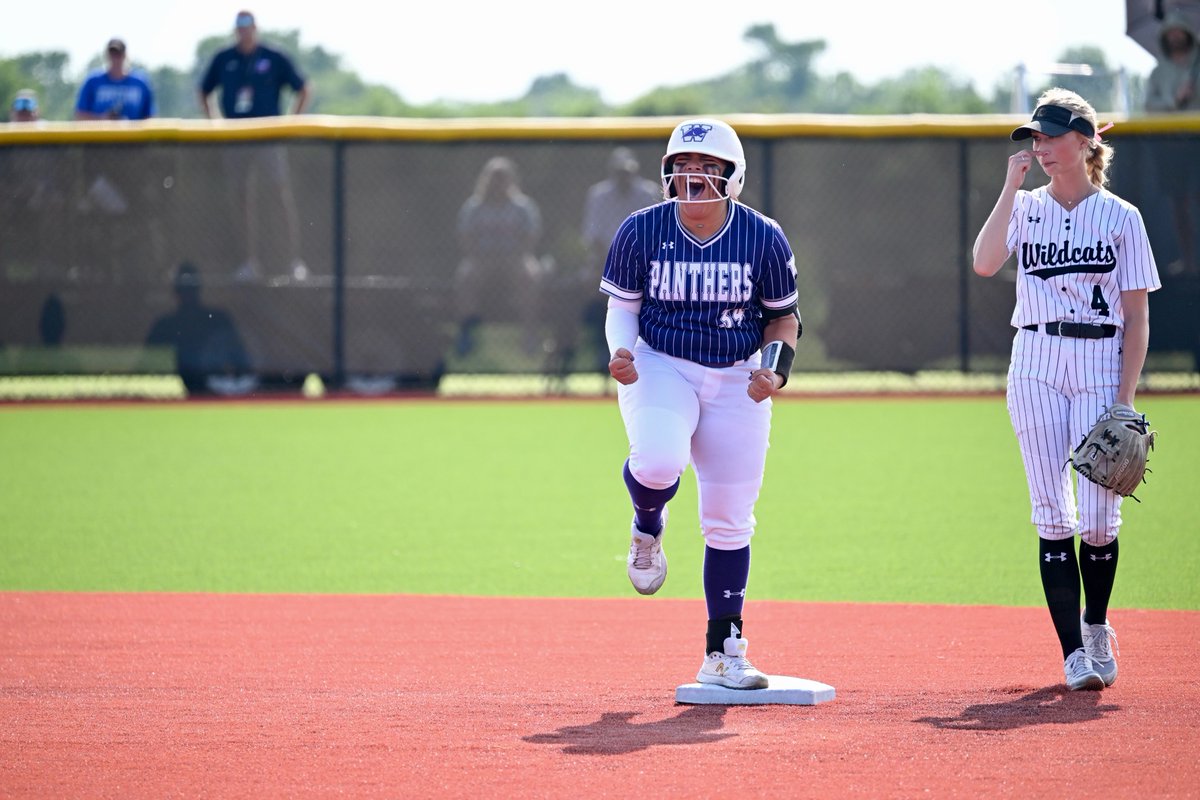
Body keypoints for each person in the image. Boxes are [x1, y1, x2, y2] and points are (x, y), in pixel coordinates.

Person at [601, 118, 800, 690]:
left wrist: (774, 371)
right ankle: (647, 525)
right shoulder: (641, 229)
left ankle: (723, 650)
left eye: (707, 170)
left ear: (732, 177)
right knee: (660, 460)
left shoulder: (762, 236)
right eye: (683, 168)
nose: (693, 180)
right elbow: (624, 305)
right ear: (667, 175)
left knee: (730, 520)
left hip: (737, 374)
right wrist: (620, 349)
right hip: (660, 361)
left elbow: (784, 316)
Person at [972, 89, 1161, 692]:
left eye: (1052, 136)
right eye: (1036, 137)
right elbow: (983, 262)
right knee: (1052, 512)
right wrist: (1010, 186)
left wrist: (1125, 400)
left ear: (1085, 141)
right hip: (1035, 357)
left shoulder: (1122, 217)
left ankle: (1096, 622)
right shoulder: (1025, 209)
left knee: (1101, 519)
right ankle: (1074, 652)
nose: (1042, 147)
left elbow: (1138, 319)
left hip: (1102, 358)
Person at [198, 10, 310, 281]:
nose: (244, 31)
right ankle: (247, 262)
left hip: (269, 138)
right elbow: (203, 90)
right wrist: (215, 123)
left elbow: (303, 88)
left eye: (248, 26)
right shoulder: (224, 59)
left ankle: (292, 262)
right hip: (236, 138)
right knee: (239, 199)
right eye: (239, 26)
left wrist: (290, 123)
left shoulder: (273, 56)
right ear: (235, 30)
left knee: (278, 195)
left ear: (256, 28)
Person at [565, 147, 661, 371]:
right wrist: (612, 266)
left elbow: (655, 237)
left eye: (627, 172)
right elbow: (593, 238)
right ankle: (591, 347)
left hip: (643, 263)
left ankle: (646, 351)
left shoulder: (647, 192)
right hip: (604, 262)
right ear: (612, 172)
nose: (624, 177)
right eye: (619, 172)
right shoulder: (599, 194)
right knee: (586, 289)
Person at [453, 155, 545, 358]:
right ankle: (466, 332)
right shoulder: (474, 206)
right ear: (485, 179)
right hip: (481, 259)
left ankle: (530, 334)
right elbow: (465, 238)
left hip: (515, 259)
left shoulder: (522, 207)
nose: (497, 182)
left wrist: (512, 256)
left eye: (502, 178)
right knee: (465, 275)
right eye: (494, 177)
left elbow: (531, 238)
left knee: (531, 274)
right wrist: (482, 257)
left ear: (511, 181)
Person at [144, 261, 253, 395]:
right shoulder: (163, 326)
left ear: (199, 288)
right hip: (172, 399)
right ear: (175, 290)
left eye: (190, 288)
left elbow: (242, 365)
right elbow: (146, 370)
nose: (187, 293)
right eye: (183, 288)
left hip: (217, 396)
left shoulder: (219, 320)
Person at [1145, 11, 1200, 275]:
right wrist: (1172, 101)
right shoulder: (1158, 73)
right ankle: (1188, 260)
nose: (1176, 36)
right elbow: (1148, 107)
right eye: (1171, 32)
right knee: (1180, 204)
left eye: (1180, 31)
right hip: (1171, 148)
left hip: (1197, 143)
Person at [74, 38, 155, 121]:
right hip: (102, 133)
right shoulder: (93, 81)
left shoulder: (140, 83)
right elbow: (80, 115)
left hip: (131, 133)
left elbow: (149, 117)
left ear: (125, 56)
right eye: (112, 54)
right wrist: (102, 119)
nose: (115, 58)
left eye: (118, 54)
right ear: (107, 56)